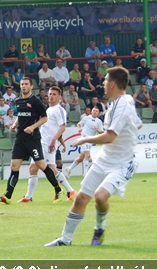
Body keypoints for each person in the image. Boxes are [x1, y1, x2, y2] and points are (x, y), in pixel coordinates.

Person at [45, 67, 141, 247]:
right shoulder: (120, 102)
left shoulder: (123, 104)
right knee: (81, 198)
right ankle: (65, 240)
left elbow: (109, 137)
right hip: (104, 159)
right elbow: (138, 125)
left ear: (112, 84)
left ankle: (99, 228)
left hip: (123, 163)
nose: (103, 83)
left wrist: (84, 139)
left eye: (105, 80)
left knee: (99, 196)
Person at [0, 77, 62, 204]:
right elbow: (21, 115)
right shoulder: (18, 101)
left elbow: (44, 118)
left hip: (33, 139)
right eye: (22, 84)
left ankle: (58, 189)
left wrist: (32, 127)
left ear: (31, 86)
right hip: (20, 138)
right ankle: (7, 196)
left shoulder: (35, 101)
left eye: (26, 84)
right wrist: (14, 125)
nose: (23, 86)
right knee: (14, 166)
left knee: (41, 165)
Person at [19, 86, 75, 203]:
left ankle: (70, 190)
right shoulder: (48, 110)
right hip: (41, 142)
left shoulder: (59, 110)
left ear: (59, 97)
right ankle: (28, 197)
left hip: (48, 143)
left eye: (54, 94)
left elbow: (62, 127)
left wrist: (55, 140)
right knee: (33, 168)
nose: (51, 96)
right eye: (50, 94)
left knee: (51, 168)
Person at [65, 107, 104, 177]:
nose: (95, 112)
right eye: (94, 110)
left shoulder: (99, 121)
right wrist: (79, 129)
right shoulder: (86, 118)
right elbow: (79, 124)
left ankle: (69, 168)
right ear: (91, 112)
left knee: (81, 158)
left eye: (96, 111)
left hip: (91, 140)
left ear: (98, 113)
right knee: (88, 155)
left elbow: (102, 131)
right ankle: (85, 173)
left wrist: (98, 130)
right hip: (84, 138)